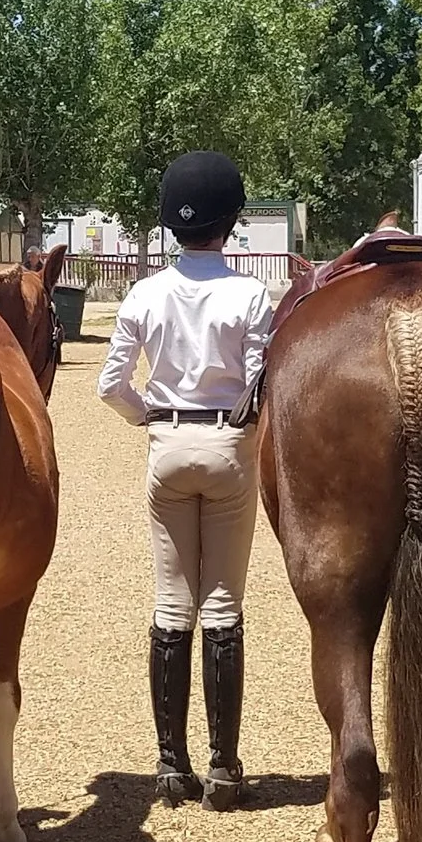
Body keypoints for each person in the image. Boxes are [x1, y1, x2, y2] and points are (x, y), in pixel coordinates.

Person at [97, 151, 273, 808]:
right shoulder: (250, 293)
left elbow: (110, 384)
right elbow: (259, 380)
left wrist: (152, 416)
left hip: (167, 442)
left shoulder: (145, 293)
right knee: (223, 604)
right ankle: (224, 768)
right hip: (229, 442)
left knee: (172, 604)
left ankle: (172, 767)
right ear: (229, 221)